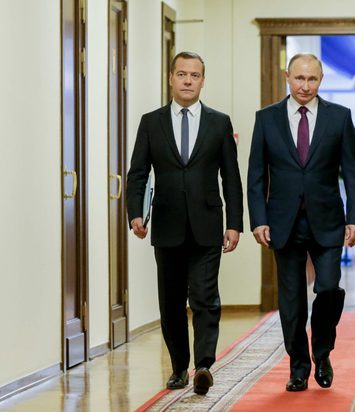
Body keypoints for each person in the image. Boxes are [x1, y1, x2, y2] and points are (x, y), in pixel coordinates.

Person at [126, 51, 243, 395]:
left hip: (207, 224)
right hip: (167, 226)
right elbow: (137, 173)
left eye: (194, 75)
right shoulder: (152, 122)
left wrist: (234, 223)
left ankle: (204, 365)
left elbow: (231, 177)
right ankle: (179, 367)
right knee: (171, 302)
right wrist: (135, 213)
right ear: (171, 78)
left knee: (205, 297)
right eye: (182, 74)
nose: (188, 80)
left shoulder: (219, 122)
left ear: (203, 80)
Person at [247, 53, 355, 392]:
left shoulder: (339, 117)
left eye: (312, 79)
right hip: (282, 222)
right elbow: (256, 175)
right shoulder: (266, 118)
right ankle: (298, 367)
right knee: (292, 300)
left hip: (328, 221)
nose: (305, 85)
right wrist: (258, 220)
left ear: (321, 80)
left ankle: (322, 352)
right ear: (287, 76)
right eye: (299, 78)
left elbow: (353, 174)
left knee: (328, 287)